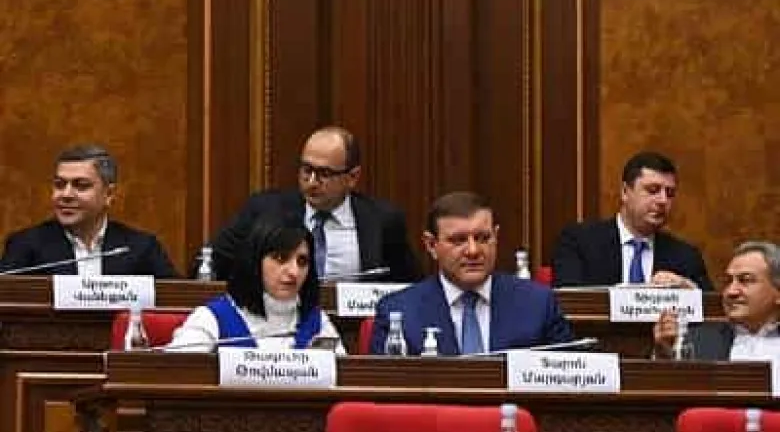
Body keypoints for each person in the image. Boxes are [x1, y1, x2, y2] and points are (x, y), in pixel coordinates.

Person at [204, 126, 419, 283]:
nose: (312, 182)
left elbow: (408, 286)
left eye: (324, 173)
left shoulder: (382, 220)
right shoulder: (265, 210)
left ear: (352, 177)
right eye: (307, 170)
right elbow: (209, 264)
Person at [370, 191, 573, 355]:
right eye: (458, 240)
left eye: (483, 238)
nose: (473, 251)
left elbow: (567, 381)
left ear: (496, 236)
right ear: (431, 245)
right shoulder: (399, 312)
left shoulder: (538, 304)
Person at [169, 214, 343, 352]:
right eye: (281, 258)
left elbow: (345, 378)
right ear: (254, 262)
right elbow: (175, 373)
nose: (294, 271)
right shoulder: (213, 317)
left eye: (302, 261)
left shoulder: (317, 323)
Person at [0, 145, 177, 278]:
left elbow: (176, 301)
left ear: (108, 194)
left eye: (81, 186)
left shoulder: (140, 248)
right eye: (59, 185)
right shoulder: (26, 246)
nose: (66, 194)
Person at [551, 151, 712, 290]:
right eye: (653, 190)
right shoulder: (579, 242)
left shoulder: (685, 256)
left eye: (669, 193)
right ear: (625, 192)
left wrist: (690, 290)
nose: (663, 200)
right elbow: (568, 302)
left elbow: (710, 308)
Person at [653, 241, 780, 361]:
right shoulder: (693, 341)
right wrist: (665, 353)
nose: (731, 291)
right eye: (728, 281)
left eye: (745, 280)